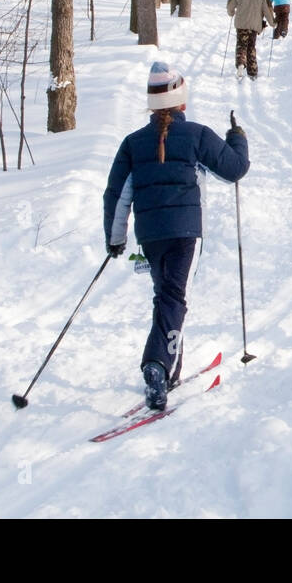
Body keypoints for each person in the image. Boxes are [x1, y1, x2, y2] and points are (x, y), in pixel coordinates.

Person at [103, 62, 250, 410]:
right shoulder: (197, 135)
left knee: (167, 296)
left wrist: (115, 237)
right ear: (182, 101)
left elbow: (117, 194)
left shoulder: (132, 143)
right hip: (187, 232)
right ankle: (157, 363)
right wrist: (238, 139)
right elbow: (235, 170)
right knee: (174, 298)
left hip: (151, 234)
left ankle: (168, 369)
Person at [226, 0, 275, 79]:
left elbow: (230, 3)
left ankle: (240, 64)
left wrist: (231, 13)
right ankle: (252, 72)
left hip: (241, 25)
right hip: (254, 26)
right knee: (251, 47)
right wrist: (273, 23)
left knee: (241, 45)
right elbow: (268, 11)